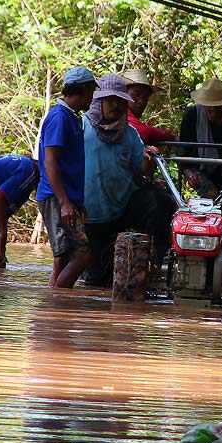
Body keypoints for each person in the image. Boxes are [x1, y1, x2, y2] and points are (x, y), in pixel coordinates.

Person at [81, 74, 169, 285]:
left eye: (121, 101)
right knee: (96, 280)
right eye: (111, 100)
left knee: (160, 201)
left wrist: (149, 158)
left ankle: (156, 261)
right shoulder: (81, 127)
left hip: (121, 210)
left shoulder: (129, 134)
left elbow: (143, 169)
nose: (116, 105)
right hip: (87, 216)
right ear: (99, 101)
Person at [37, 66, 96, 288]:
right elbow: (50, 161)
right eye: (91, 92)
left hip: (66, 198)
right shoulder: (60, 117)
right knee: (81, 253)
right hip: (56, 197)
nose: (91, 98)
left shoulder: (71, 118)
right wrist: (64, 202)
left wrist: (76, 203)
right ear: (82, 90)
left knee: (63, 258)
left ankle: (54, 310)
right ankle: (58, 302)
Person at [122, 69, 176, 145]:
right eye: (136, 95)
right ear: (123, 94)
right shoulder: (120, 115)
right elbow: (143, 132)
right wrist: (167, 135)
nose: (141, 101)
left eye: (145, 97)